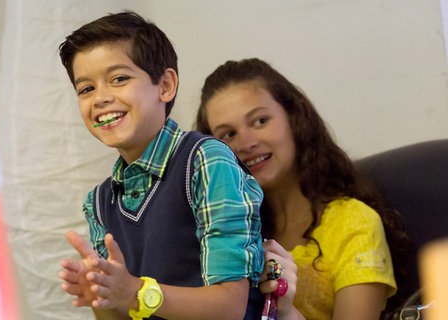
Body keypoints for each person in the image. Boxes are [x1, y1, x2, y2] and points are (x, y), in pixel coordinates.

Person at [57, 11, 267, 320]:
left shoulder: (206, 161)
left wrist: (135, 292)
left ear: (165, 86)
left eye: (119, 79)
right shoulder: (98, 204)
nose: (100, 98)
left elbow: (230, 306)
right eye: (86, 88)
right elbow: (121, 312)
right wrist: (102, 297)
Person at [195, 58, 411, 320]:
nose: (246, 143)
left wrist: (286, 311)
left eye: (260, 121)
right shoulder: (221, 231)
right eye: (228, 134)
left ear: (295, 119)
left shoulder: (354, 223)